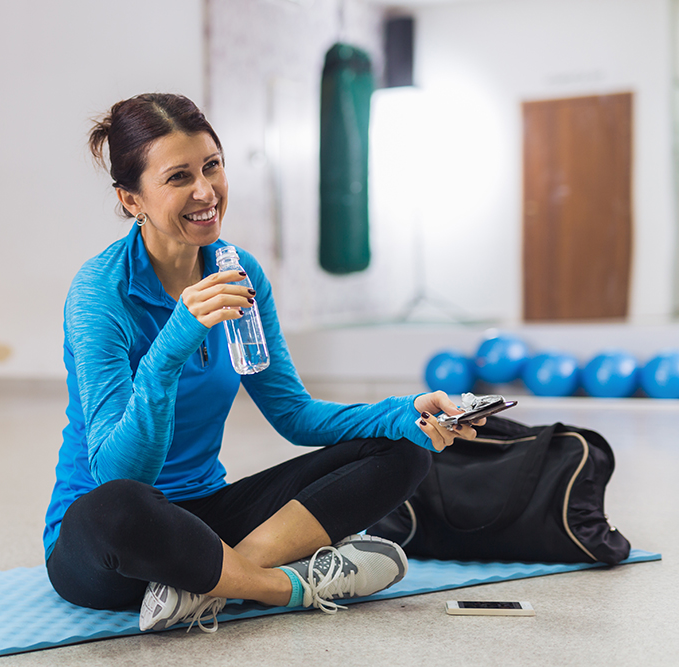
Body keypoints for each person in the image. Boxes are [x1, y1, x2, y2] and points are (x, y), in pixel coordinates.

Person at [43, 93, 479, 633]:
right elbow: (119, 473)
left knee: (406, 449)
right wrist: (172, 346)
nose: (206, 192)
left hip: (206, 521)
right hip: (110, 545)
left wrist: (403, 410)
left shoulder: (238, 272)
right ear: (132, 201)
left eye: (212, 166)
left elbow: (295, 415)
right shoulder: (100, 294)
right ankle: (285, 587)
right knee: (116, 507)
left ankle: (213, 582)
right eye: (178, 177)